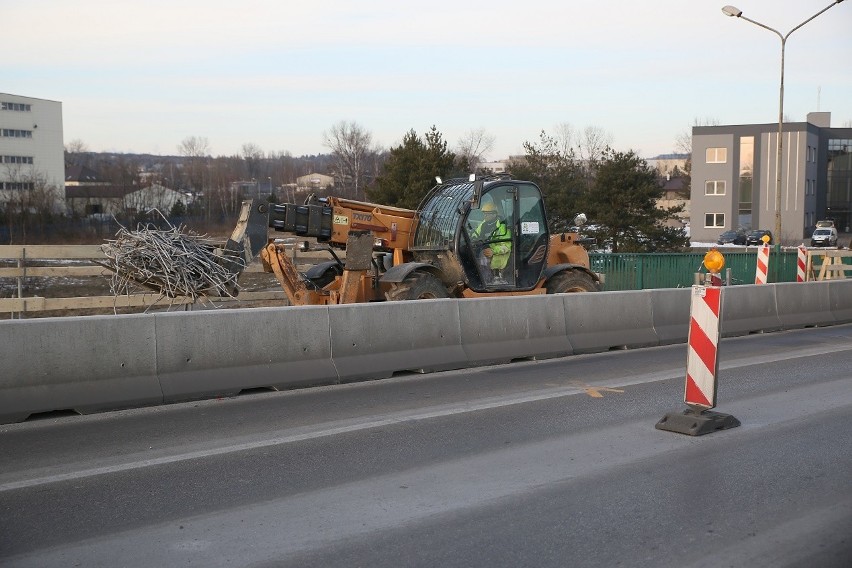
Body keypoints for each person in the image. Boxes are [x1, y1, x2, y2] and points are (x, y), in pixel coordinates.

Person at [472, 202, 511, 283]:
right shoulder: (483, 224)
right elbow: (475, 235)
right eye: (484, 214)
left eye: (488, 214)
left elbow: (506, 247)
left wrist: (493, 251)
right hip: (484, 250)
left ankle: (488, 281)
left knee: (483, 257)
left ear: (494, 214)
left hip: (497, 258)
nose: (485, 216)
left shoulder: (502, 227)